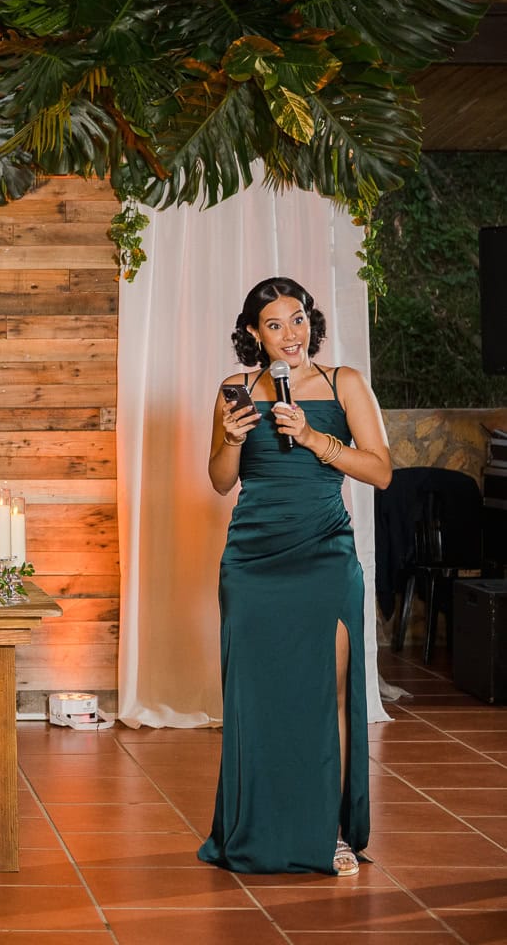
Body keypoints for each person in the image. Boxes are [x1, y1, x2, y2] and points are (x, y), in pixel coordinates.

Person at [201, 277, 392, 877]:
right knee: (254, 699)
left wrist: (313, 438)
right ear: (255, 334)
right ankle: (253, 827)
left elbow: (381, 472)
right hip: (253, 559)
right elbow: (220, 480)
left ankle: (328, 829)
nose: (291, 334)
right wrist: (232, 441)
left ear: (312, 322)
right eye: (275, 324)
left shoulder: (345, 383)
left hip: (325, 554)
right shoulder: (235, 390)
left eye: (299, 319)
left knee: (326, 694)